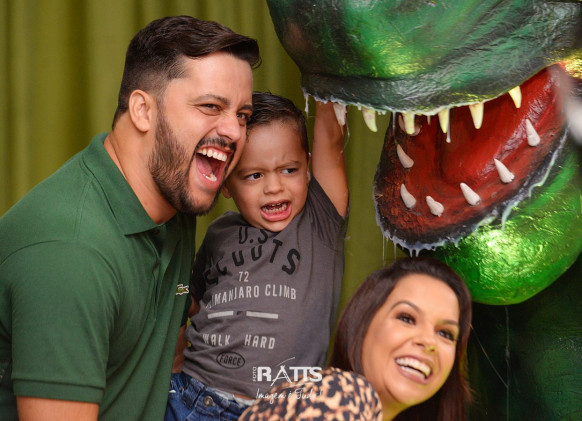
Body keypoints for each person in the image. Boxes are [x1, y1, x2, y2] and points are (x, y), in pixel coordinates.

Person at [0, 15, 259, 421]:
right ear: (142, 110)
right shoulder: (70, 252)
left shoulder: (174, 195)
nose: (234, 132)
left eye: (242, 115)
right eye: (211, 106)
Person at [165, 92, 348, 420]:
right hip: (195, 397)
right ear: (225, 182)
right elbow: (191, 300)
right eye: (254, 175)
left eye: (289, 170)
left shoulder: (321, 222)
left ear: (307, 167)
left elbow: (330, 137)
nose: (274, 187)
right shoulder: (219, 233)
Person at [239, 256, 473, 421]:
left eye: (445, 333)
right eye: (406, 318)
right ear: (363, 323)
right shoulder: (339, 392)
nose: (429, 341)